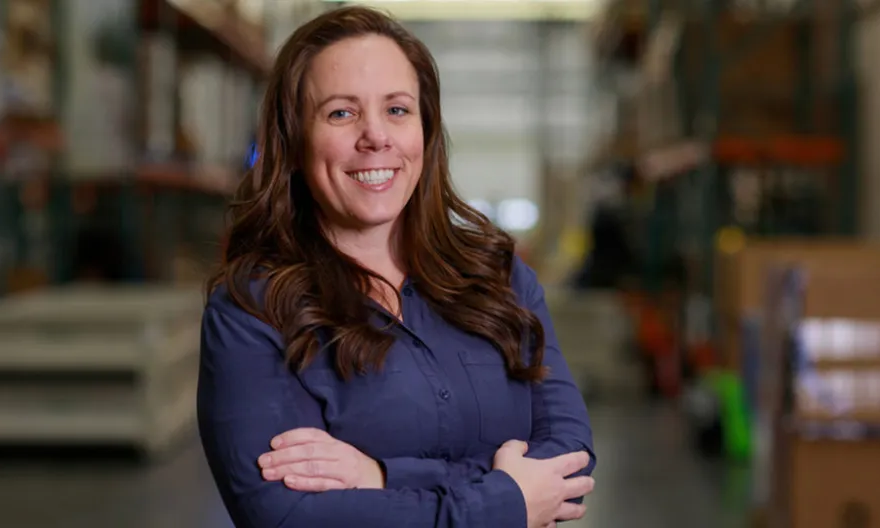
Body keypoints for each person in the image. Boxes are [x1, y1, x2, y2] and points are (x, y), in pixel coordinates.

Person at [197, 6, 596, 528]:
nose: (376, 137)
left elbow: (569, 462)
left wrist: (382, 476)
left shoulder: (499, 278)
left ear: (426, 133)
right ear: (294, 142)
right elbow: (287, 516)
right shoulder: (252, 311)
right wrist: (506, 501)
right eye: (341, 113)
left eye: (398, 110)